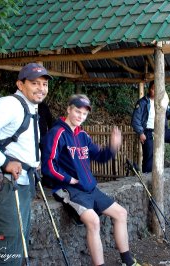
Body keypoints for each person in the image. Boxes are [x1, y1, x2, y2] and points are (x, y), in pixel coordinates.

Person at [41, 94, 140, 266]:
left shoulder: (83, 136)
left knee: (121, 213)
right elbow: (48, 165)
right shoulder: (57, 133)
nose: (80, 116)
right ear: (68, 109)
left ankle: (128, 262)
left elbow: (100, 156)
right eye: (77, 111)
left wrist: (113, 146)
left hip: (89, 188)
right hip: (68, 189)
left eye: (84, 114)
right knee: (93, 221)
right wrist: (68, 179)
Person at [0, 63, 50, 265]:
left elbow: (20, 142)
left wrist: (35, 162)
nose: (41, 88)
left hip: (21, 184)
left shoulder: (31, 108)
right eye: (34, 83)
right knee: (6, 248)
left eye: (44, 84)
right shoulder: (10, 104)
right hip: (4, 186)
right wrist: (4, 162)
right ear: (20, 84)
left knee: (18, 241)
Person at [131, 80, 170, 173]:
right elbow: (135, 120)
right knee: (149, 153)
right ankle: (147, 174)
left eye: (158, 89)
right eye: (154, 89)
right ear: (150, 89)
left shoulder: (163, 102)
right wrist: (141, 133)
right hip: (148, 131)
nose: (156, 91)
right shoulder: (143, 103)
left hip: (162, 131)